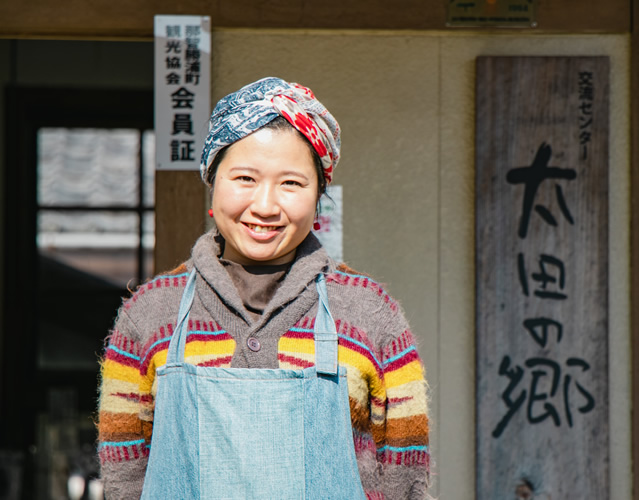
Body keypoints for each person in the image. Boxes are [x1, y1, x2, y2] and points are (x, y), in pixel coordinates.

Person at [96, 77, 430, 499]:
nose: (266, 206)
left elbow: (406, 480)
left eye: (291, 183)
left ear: (318, 197)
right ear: (213, 182)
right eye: (245, 179)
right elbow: (123, 481)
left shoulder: (372, 316)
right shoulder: (147, 315)